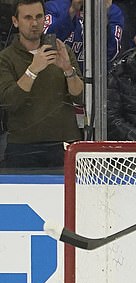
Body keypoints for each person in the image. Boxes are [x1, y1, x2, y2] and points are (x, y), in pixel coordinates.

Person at [0, 0, 83, 169]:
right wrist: (32, 70)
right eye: (28, 17)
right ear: (15, 21)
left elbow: (80, 97)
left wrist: (68, 69)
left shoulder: (62, 50)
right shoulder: (5, 58)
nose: (35, 23)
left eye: (39, 17)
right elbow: (10, 102)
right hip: (22, 147)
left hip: (64, 143)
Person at [43, 0, 125, 70]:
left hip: (95, 82)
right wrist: (72, 11)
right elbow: (46, 41)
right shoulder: (54, 7)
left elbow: (111, 54)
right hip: (58, 75)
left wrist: (103, 14)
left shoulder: (113, 12)